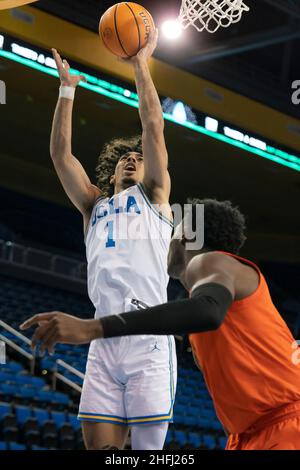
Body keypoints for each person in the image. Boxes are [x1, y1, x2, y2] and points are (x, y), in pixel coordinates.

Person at [22, 198, 300, 450]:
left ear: (188, 235)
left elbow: (209, 311)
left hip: (286, 425)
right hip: (251, 435)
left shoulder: (210, 262)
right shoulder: (215, 296)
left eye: (173, 231)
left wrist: (92, 327)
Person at [38, 28, 177, 450]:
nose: (134, 158)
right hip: (101, 340)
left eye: (138, 156)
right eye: (125, 158)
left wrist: (139, 64)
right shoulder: (93, 206)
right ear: (111, 174)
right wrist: (66, 92)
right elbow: (61, 156)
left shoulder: (154, 195)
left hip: (148, 338)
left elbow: (153, 125)